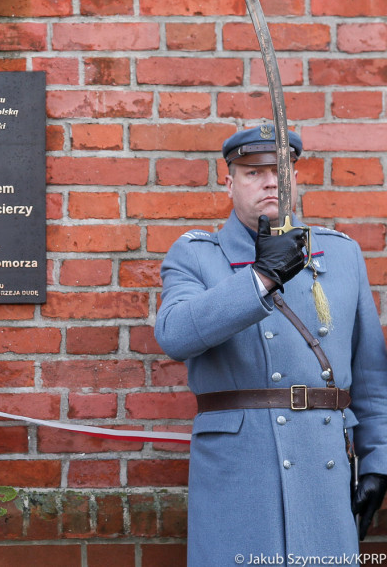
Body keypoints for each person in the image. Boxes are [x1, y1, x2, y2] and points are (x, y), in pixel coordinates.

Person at [156, 125, 387, 564]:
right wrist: (260, 278)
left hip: (324, 467)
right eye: (252, 172)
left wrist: (378, 461)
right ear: (228, 182)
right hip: (241, 473)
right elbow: (174, 334)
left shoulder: (340, 254)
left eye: (281, 170)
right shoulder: (196, 254)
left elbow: (372, 376)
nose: (270, 182)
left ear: (296, 177)